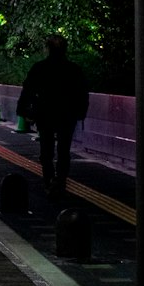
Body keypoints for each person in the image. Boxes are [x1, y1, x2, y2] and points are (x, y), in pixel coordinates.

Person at [16, 34, 89, 200]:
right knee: (64, 151)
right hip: (67, 114)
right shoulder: (74, 69)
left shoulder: (40, 68)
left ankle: (49, 181)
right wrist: (80, 112)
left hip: (45, 113)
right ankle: (61, 182)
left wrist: (24, 111)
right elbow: (82, 93)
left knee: (46, 150)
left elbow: (27, 90)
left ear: (48, 49)